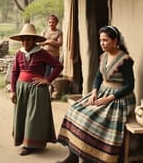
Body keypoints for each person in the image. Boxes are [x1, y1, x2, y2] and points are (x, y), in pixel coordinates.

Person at [57, 26, 136, 163]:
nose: (102, 43)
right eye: (100, 40)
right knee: (74, 110)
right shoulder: (104, 56)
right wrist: (94, 91)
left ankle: (90, 157)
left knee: (91, 119)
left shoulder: (125, 60)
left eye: (105, 40)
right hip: (102, 92)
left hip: (120, 97)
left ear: (115, 40)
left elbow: (130, 86)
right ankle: (73, 155)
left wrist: (109, 99)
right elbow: (98, 77)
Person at [9, 23, 63, 156]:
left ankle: (30, 145)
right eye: (23, 39)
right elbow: (15, 72)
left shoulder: (42, 53)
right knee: (22, 115)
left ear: (34, 40)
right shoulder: (19, 54)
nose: (25, 42)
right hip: (21, 89)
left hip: (37, 90)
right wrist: (12, 90)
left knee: (33, 117)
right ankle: (24, 140)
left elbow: (58, 66)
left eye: (28, 39)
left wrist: (47, 80)